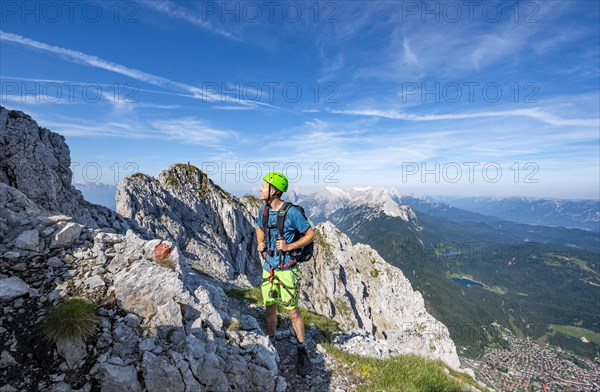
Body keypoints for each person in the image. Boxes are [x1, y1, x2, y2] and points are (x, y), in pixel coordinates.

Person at [256, 172, 316, 377]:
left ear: (274, 190)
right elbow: (259, 228)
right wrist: (260, 243)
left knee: (293, 311)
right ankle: (271, 342)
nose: (260, 189)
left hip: (288, 269)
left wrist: (290, 245)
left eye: (263, 186)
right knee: (269, 306)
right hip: (269, 268)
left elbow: (311, 234)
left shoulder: (292, 213)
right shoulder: (263, 210)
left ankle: (302, 350)